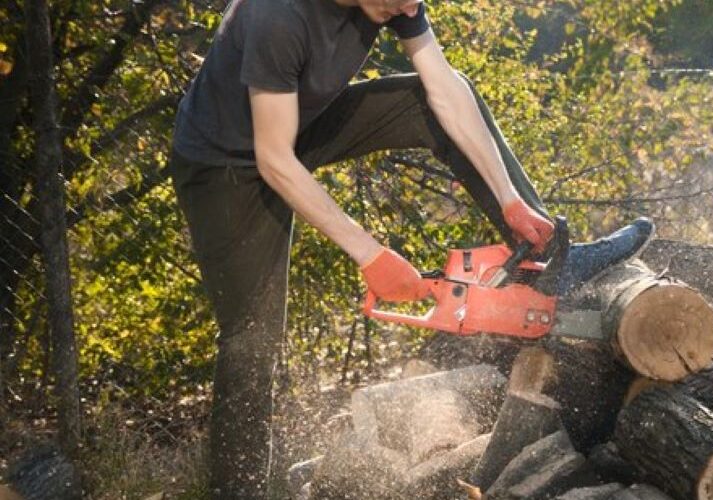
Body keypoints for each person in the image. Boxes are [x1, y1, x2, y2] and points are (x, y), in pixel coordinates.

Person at [168, 0, 653, 496]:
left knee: (427, 99)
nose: (408, 6)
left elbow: (445, 87)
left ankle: (552, 263)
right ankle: (236, 492)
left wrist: (508, 198)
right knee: (252, 341)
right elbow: (273, 160)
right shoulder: (276, 16)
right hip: (226, 167)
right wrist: (371, 254)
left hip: (297, 127)